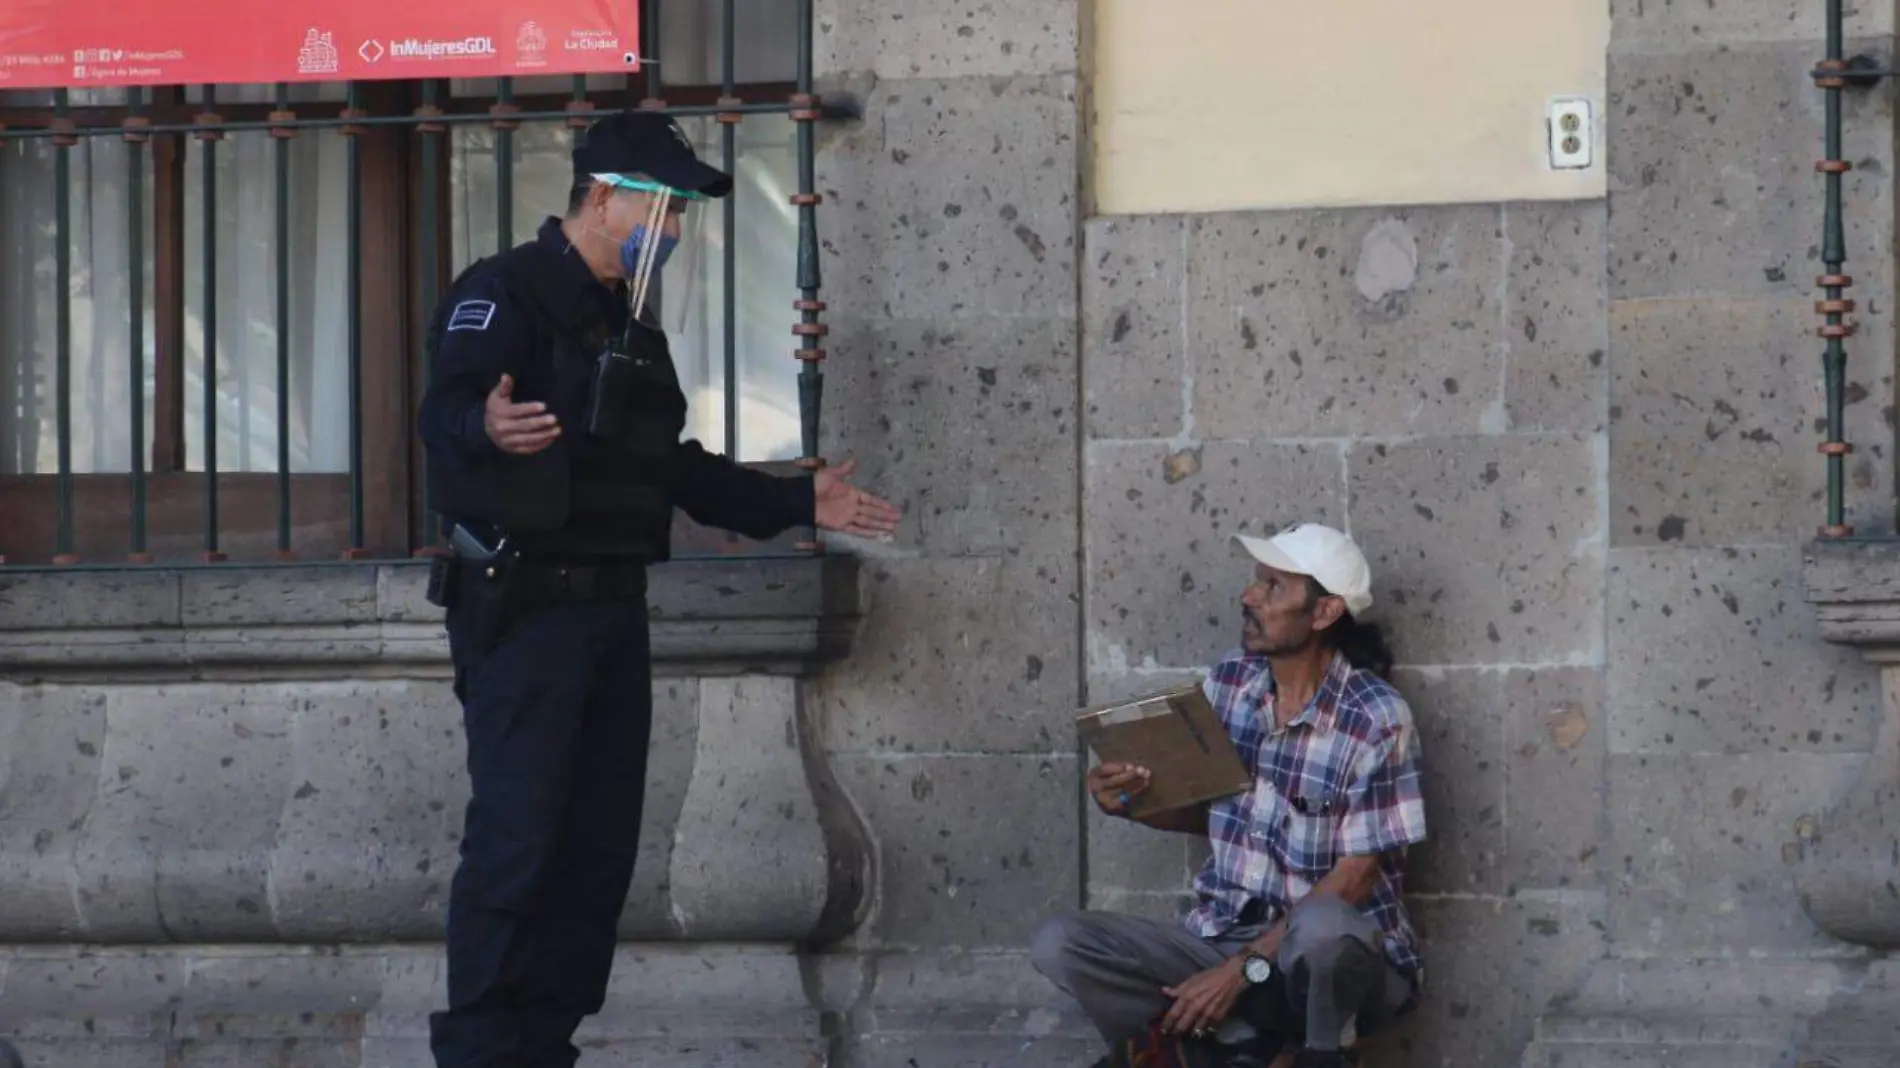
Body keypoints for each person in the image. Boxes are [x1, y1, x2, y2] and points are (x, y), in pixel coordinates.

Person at [415, 110, 901, 1068]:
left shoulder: (626, 325)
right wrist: (485, 424)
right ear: (604, 197)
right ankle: (482, 1052)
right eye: (664, 209)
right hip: (523, 607)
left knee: (595, 854)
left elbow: (673, 469)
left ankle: (543, 1046)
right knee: (519, 846)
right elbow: (446, 404)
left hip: (608, 611)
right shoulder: (503, 291)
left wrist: (802, 499)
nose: (673, 232)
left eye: (681, 214)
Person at [1032, 523, 1427, 1068]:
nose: (1249, 596)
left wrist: (1241, 970)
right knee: (1062, 942)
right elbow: (1207, 814)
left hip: (1336, 966)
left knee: (1323, 926)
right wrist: (1126, 803)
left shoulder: (1376, 718)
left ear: (1325, 612)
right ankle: (1206, 1049)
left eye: (1273, 587)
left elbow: (1354, 879)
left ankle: (1316, 1055)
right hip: (1224, 936)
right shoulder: (1231, 682)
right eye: (1256, 581)